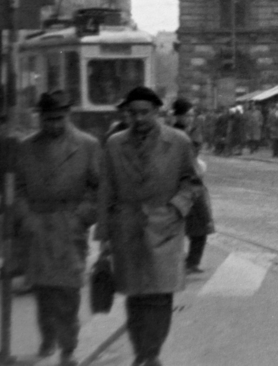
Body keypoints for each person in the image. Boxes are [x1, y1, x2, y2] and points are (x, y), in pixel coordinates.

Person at [95, 86, 199, 366]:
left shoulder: (178, 142)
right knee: (135, 295)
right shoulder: (115, 144)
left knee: (160, 295)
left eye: (144, 113)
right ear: (126, 115)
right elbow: (106, 189)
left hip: (164, 227)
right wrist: (103, 235)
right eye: (132, 113)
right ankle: (141, 351)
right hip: (126, 226)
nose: (139, 118)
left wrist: (176, 208)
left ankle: (151, 353)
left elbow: (192, 182)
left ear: (157, 113)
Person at [13, 91, 101, 366]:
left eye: (59, 119)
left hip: (70, 226)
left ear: (68, 116)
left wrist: (81, 217)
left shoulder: (87, 145)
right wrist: (26, 218)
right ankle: (47, 335)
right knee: (43, 290)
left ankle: (68, 347)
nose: (53, 125)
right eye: (48, 119)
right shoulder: (25, 147)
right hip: (37, 226)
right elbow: (16, 190)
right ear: (40, 118)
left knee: (69, 290)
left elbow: (98, 189)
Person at [168, 99, 214, 275]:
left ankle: (192, 262)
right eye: (187, 115)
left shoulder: (193, 131)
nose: (190, 118)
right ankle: (177, 261)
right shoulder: (172, 134)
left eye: (191, 115)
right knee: (175, 225)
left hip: (194, 183)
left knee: (201, 224)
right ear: (178, 115)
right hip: (177, 184)